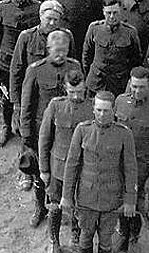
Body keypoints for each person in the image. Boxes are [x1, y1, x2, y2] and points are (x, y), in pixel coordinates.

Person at [19, 29, 83, 227]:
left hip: (67, 131)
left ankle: (69, 212)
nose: (60, 54)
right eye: (56, 51)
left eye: (64, 50)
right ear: (48, 49)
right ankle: (40, 207)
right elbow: (26, 105)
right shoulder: (35, 69)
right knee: (40, 173)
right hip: (42, 132)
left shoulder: (75, 66)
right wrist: (26, 136)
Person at [62, 91, 137, 253]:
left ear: (113, 111)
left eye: (106, 110)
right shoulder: (82, 130)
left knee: (106, 239)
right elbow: (72, 165)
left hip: (111, 198)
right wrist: (66, 196)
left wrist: (130, 199)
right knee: (85, 236)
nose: (102, 114)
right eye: (99, 110)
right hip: (86, 198)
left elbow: (130, 168)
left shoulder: (124, 134)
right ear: (93, 110)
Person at [38, 69, 92, 253]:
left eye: (80, 92)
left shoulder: (93, 108)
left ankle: (76, 235)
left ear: (85, 87)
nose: (76, 96)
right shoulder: (56, 106)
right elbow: (44, 139)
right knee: (55, 206)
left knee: (79, 205)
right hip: (58, 167)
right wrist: (44, 169)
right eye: (71, 92)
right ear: (65, 89)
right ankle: (54, 240)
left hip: (82, 169)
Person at [0, 0, 40, 147]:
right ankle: (6, 125)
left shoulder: (37, 7)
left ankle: (27, 128)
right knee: (7, 96)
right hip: (7, 61)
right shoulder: (2, 8)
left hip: (29, 61)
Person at [113, 67, 149, 252]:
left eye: (142, 87)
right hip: (121, 164)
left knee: (137, 202)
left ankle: (134, 230)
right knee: (121, 199)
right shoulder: (120, 101)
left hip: (143, 166)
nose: (137, 91)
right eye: (134, 86)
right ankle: (123, 230)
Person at [83, 0, 142, 96]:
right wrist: (89, 74)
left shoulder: (130, 32)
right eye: (108, 13)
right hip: (95, 83)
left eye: (115, 13)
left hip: (119, 84)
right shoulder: (94, 28)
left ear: (121, 11)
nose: (111, 16)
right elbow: (87, 55)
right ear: (103, 12)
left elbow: (136, 60)